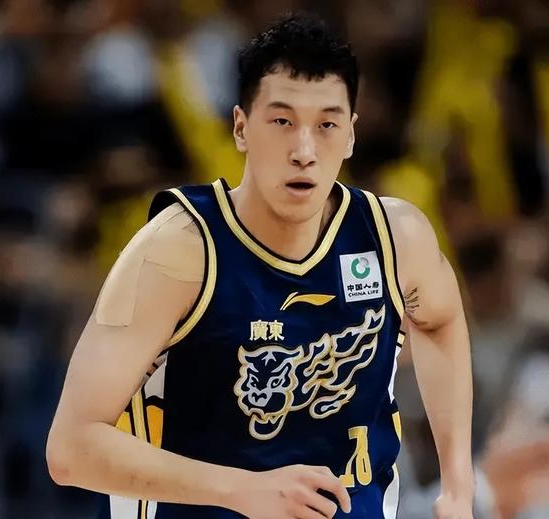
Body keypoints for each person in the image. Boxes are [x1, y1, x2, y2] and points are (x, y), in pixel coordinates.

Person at [46, 13, 474, 519]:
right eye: (282, 122)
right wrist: (242, 490)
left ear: (351, 135)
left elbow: (440, 322)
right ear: (241, 127)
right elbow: (71, 449)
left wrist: (457, 485)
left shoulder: (396, 239)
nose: (304, 151)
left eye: (327, 125)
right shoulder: (178, 250)